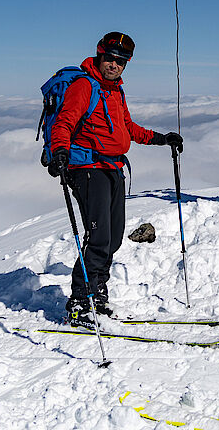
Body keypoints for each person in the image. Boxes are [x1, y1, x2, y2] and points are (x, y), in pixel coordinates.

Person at [45, 31, 182, 324]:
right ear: (99, 54)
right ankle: (80, 302)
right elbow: (65, 121)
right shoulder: (84, 86)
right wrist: (59, 152)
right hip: (87, 169)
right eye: (110, 58)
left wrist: (161, 139)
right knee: (99, 237)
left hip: (113, 169)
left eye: (121, 61)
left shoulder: (116, 90)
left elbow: (127, 127)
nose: (114, 64)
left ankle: (97, 293)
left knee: (114, 237)